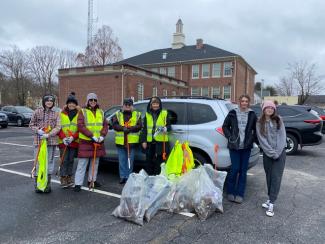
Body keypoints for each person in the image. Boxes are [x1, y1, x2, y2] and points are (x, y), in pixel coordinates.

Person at [222, 94, 257, 203]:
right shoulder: (232, 113)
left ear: (248, 103)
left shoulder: (252, 114)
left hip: (246, 147)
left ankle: (240, 194)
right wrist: (230, 137)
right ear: (239, 102)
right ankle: (231, 192)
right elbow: (225, 126)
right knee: (234, 169)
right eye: (242, 101)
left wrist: (252, 139)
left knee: (243, 171)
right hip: (234, 146)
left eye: (246, 101)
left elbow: (256, 129)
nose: (244, 103)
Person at [256, 100, 286, 217]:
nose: (270, 109)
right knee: (269, 176)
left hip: (280, 154)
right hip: (268, 155)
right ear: (263, 109)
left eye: (272, 108)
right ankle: (270, 198)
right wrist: (271, 153)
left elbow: (282, 136)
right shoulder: (259, 122)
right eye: (267, 107)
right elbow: (262, 140)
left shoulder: (278, 119)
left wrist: (277, 152)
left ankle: (272, 202)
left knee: (276, 177)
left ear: (274, 109)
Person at [74, 93, 108, 192]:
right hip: (86, 141)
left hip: (98, 141)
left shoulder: (101, 112)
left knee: (95, 162)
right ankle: (78, 184)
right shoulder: (82, 111)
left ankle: (92, 180)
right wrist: (91, 135)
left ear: (97, 101)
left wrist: (102, 135)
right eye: (91, 100)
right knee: (82, 163)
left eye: (94, 100)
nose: (93, 101)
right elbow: (80, 126)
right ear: (87, 101)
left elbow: (105, 125)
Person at [29, 94, 61, 193]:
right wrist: (38, 130)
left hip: (51, 141)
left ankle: (47, 185)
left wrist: (49, 134)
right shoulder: (37, 111)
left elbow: (58, 126)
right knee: (38, 162)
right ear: (44, 101)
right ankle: (38, 185)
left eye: (51, 101)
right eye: (47, 101)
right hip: (38, 141)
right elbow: (31, 124)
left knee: (49, 162)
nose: (49, 102)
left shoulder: (56, 113)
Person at [111, 98, 142, 184]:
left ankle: (128, 177)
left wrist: (130, 129)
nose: (127, 106)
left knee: (130, 161)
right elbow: (114, 125)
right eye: (126, 105)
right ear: (123, 105)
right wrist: (123, 128)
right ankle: (122, 176)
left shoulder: (137, 114)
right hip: (121, 142)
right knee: (122, 160)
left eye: (129, 105)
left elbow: (139, 125)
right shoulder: (117, 114)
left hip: (131, 142)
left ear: (132, 106)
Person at [140, 96, 171, 175]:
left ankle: (158, 179)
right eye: (153, 103)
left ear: (159, 105)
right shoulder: (147, 114)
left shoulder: (164, 113)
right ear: (150, 105)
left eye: (157, 103)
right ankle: (150, 179)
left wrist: (166, 129)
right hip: (150, 143)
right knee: (149, 162)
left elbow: (169, 126)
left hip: (161, 143)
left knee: (159, 163)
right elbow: (144, 129)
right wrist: (143, 141)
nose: (155, 105)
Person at [57, 92, 79, 188]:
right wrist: (63, 138)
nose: (71, 105)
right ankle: (63, 178)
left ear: (76, 104)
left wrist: (73, 137)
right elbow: (58, 128)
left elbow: (80, 128)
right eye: (70, 103)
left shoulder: (79, 114)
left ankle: (69, 177)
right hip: (63, 142)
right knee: (64, 160)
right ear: (67, 104)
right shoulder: (61, 114)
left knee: (70, 160)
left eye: (73, 103)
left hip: (73, 142)